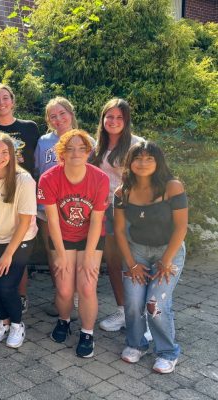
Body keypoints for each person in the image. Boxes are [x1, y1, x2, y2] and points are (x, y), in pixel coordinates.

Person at [114, 141, 187, 374]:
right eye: (138, 158)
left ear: (158, 162)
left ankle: (167, 352)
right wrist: (132, 264)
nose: (143, 163)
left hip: (169, 252)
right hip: (136, 251)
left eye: (149, 158)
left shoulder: (172, 187)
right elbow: (119, 231)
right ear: (130, 163)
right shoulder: (121, 191)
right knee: (134, 303)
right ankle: (137, 344)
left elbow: (181, 228)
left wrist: (166, 261)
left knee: (155, 304)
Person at [37, 129, 109, 358]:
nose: (76, 153)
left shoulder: (100, 178)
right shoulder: (49, 178)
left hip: (91, 237)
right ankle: (64, 320)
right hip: (63, 236)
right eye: (70, 148)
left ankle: (87, 333)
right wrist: (59, 253)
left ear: (89, 152)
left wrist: (88, 256)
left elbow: (97, 220)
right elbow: (53, 220)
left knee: (87, 284)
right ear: (61, 153)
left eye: (81, 148)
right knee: (65, 288)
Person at [0, 83, 40, 313]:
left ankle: (19, 297)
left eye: (5, 98)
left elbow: (37, 162)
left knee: (17, 256)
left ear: (12, 101)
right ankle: (7, 304)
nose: (1, 103)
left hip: (23, 195)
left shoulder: (30, 128)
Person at [0, 133, 38, 348]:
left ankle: (18, 325)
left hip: (21, 238)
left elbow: (25, 222)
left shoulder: (24, 180)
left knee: (6, 285)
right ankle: (3, 321)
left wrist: (9, 254)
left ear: (12, 155)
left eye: (4, 152)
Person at [90, 99, 144, 333]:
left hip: (131, 211)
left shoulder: (137, 144)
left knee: (136, 261)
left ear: (126, 121)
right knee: (113, 262)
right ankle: (123, 311)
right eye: (109, 116)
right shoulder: (97, 147)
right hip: (105, 210)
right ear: (103, 119)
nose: (113, 121)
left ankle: (142, 315)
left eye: (119, 117)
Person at [35, 97, 80, 318]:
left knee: (77, 256)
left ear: (71, 114)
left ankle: (78, 297)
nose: (59, 119)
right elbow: (38, 170)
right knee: (54, 256)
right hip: (46, 208)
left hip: (76, 210)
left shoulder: (84, 140)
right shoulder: (43, 142)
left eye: (62, 113)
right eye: (53, 116)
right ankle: (62, 297)